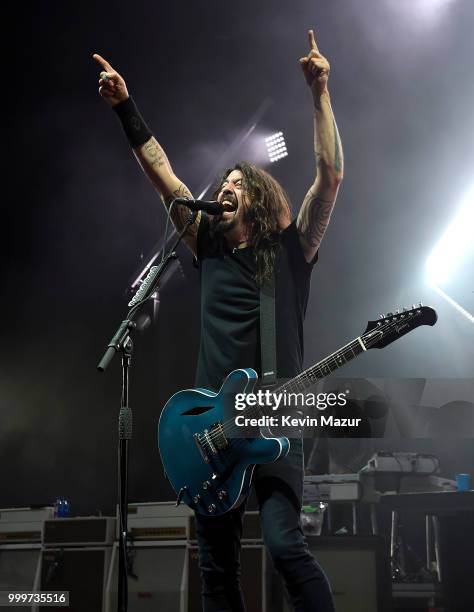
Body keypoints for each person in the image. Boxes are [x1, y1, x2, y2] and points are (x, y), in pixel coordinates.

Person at [94, 28, 343, 612]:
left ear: (256, 198)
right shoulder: (205, 243)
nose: (226, 188)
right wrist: (125, 107)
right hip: (211, 428)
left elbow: (329, 178)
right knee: (216, 572)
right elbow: (163, 175)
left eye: (237, 184)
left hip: (278, 417)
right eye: (224, 184)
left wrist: (320, 94)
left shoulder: (292, 250)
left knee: (286, 547)